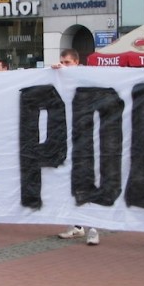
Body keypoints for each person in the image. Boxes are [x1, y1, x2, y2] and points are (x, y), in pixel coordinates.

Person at [51, 49, 99, 245]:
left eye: (68, 62)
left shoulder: (87, 78)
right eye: (62, 62)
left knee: (88, 183)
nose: (64, 65)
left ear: (77, 62)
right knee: (70, 184)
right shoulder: (61, 80)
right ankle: (77, 225)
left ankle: (94, 228)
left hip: (87, 140)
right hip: (69, 140)